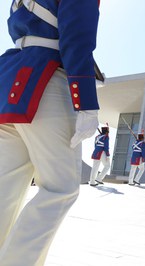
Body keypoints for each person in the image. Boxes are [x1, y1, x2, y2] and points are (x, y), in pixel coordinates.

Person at [0, 1, 100, 265]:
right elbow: (78, 37)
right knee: (60, 189)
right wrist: (86, 102)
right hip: (46, 81)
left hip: (11, 82)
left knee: (5, 188)